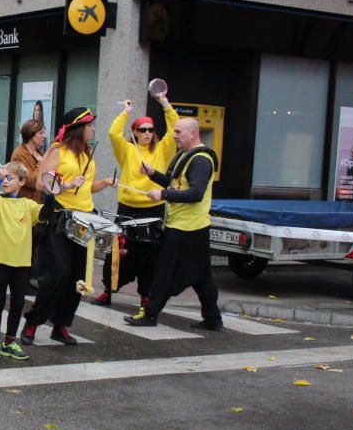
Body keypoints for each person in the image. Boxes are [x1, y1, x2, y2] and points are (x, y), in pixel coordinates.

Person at [20, 107, 116, 346]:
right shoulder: (57, 151)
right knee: (57, 274)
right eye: (90, 125)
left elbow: (85, 187)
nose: (93, 129)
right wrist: (66, 184)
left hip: (85, 219)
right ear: (78, 128)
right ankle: (33, 321)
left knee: (77, 277)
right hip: (61, 219)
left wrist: (103, 183)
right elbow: (43, 184)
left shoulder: (87, 154)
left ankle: (61, 325)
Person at [124, 117, 223, 330]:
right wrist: (153, 174)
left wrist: (163, 194)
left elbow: (196, 193)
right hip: (186, 225)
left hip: (188, 227)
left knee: (164, 271)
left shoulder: (201, 160)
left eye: (178, 132)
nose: (175, 136)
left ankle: (151, 314)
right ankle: (213, 318)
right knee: (202, 275)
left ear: (193, 134)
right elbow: (174, 182)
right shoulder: (185, 156)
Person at [93, 91, 178, 307]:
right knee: (117, 251)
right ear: (135, 132)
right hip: (127, 208)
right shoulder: (128, 150)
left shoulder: (162, 149)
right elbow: (113, 134)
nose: (148, 133)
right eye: (143, 130)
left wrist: (163, 102)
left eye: (150, 129)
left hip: (153, 210)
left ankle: (145, 295)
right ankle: (108, 290)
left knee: (150, 255)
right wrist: (126, 113)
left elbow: (174, 127)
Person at [0, 162, 44, 361]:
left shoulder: (28, 205)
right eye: (4, 178)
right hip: (0, 260)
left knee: (17, 304)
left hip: (22, 263)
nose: (6, 181)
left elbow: (45, 214)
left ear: (22, 182)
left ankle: (9, 342)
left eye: (10, 178)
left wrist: (53, 193)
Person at [11, 120, 48, 291]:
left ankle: (27, 279)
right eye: (41, 133)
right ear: (31, 135)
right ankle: (20, 282)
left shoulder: (39, 153)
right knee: (24, 245)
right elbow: (31, 181)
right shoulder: (20, 154)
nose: (44, 136)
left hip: (36, 205)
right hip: (23, 205)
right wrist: (41, 164)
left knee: (33, 245)